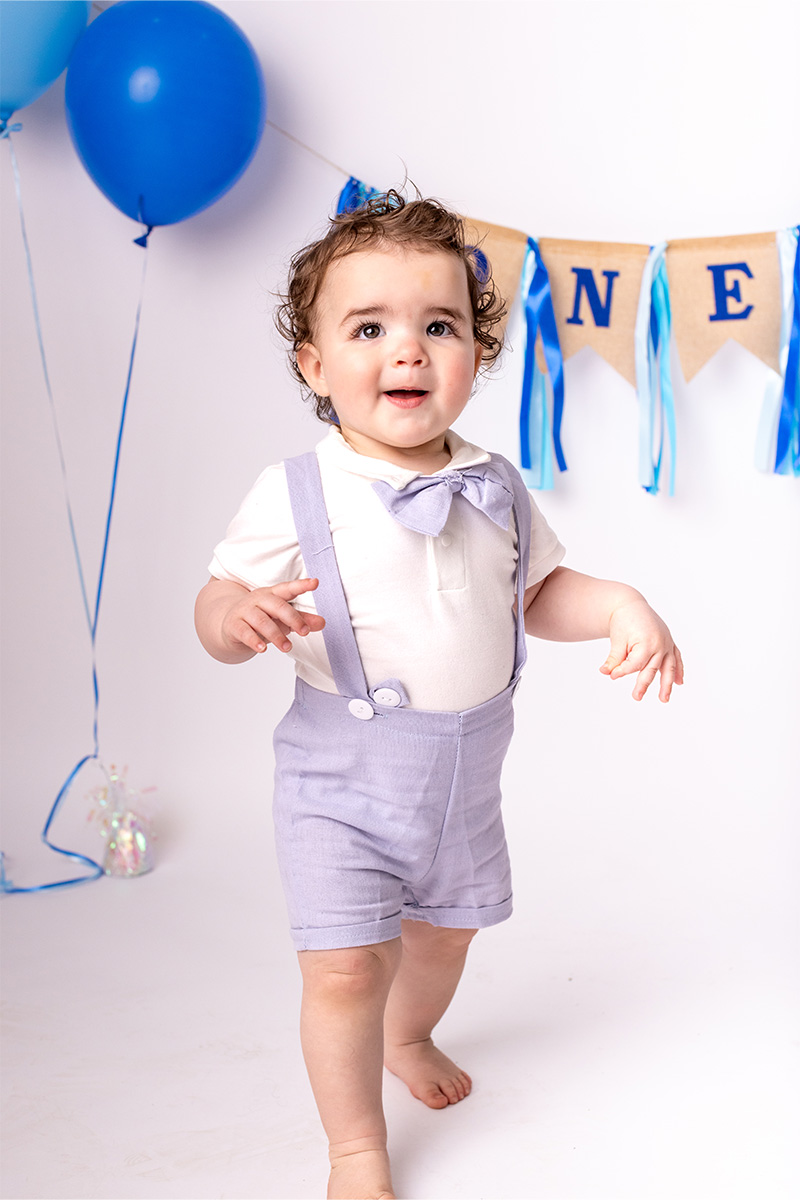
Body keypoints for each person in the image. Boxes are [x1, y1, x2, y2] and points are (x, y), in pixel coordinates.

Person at [194, 191, 683, 1200]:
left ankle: (408, 1036)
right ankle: (354, 1147)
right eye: (367, 328)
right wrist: (233, 619)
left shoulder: (494, 483)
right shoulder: (295, 490)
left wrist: (619, 605)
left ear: (474, 353)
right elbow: (215, 597)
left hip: (464, 780)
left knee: (444, 936)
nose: (406, 351)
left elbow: (537, 592)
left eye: (438, 326)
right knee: (343, 971)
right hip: (339, 782)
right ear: (314, 366)